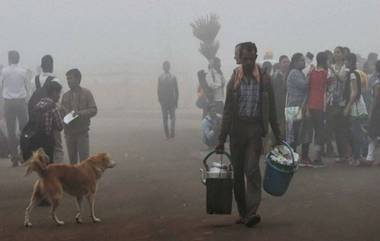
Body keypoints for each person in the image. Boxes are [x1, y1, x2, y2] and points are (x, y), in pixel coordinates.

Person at [216, 42, 282, 228]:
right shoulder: (234, 80)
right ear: (240, 58)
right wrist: (221, 140)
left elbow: (272, 111)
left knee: (252, 170)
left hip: (254, 130)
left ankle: (252, 212)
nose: (248, 62)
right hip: (236, 131)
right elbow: (228, 110)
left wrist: (278, 134)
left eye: (251, 59)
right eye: (245, 59)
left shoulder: (264, 79)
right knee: (237, 175)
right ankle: (244, 213)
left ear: (256, 57)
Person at [30, 55, 65, 163]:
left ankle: (43, 169)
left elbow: (31, 99)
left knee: (42, 146)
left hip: (38, 120)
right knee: (57, 146)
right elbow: (58, 102)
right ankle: (56, 170)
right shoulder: (56, 80)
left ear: (41, 66)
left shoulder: (33, 80)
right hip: (52, 118)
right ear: (52, 66)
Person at [61, 69, 97, 164]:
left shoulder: (87, 93)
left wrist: (80, 113)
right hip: (69, 133)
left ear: (78, 79)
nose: (68, 81)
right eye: (67, 79)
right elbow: (62, 114)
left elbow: (94, 109)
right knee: (72, 163)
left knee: (84, 162)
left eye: (71, 78)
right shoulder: (65, 96)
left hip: (82, 132)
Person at [0, 50, 29, 167]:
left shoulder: (4, 71)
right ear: (18, 58)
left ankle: (14, 157)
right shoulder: (23, 71)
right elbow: (28, 87)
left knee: (11, 131)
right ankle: (23, 154)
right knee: (23, 129)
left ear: (9, 59)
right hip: (21, 102)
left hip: (8, 102)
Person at [286, 53, 312, 167]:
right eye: (301, 60)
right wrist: (310, 75)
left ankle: (293, 157)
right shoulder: (294, 73)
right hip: (293, 106)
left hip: (296, 105)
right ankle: (291, 157)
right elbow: (304, 85)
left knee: (295, 133)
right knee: (293, 133)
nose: (304, 62)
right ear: (295, 62)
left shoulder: (298, 72)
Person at [344, 53, 368, 166]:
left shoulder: (353, 74)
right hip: (357, 105)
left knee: (356, 133)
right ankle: (359, 156)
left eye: (346, 60)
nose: (345, 62)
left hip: (356, 106)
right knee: (356, 132)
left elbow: (354, 92)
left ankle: (358, 157)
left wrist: (348, 106)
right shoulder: (354, 73)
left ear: (350, 61)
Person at [307, 52, 329, 167]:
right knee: (320, 132)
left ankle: (306, 155)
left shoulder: (311, 73)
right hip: (321, 105)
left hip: (310, 104)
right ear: (325, 61)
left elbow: (308, 87)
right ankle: (317, 157)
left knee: (311, 131)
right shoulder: (326, 74)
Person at [158, 61, 179, 139]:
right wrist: (160, 100)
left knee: (173, 117)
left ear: (169, 67)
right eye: (165, 66)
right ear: (163, 67)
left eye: (167, 66)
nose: (166, 67)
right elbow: (159, 90)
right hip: (164, 101)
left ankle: (172, 132)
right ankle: (167, 134)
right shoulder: (160, 77)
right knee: (165, 118)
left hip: (172, 101)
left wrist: (176, 101)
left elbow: (176, 90)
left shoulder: (173, 77)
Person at [365, 60, 380, 165]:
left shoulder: (376, 81)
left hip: (377, 110)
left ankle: (370, 157)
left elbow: (376, 98)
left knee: (372, 134)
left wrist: (371, 111)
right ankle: (369, 157)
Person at [272, 55, 290, 133]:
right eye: (284, 62)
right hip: (278, 105)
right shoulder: (275, 76)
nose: (286, 64)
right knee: (279, 126)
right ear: (280, 64)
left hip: (290, 105)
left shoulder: (292, 75)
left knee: (290, 126)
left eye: (288, 62)